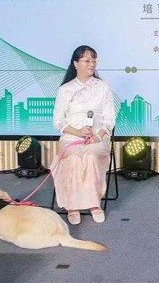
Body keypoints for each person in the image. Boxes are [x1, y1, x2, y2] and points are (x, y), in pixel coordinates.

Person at [52, 45, 116, 225]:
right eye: (87, 60)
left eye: (94, 60)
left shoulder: (102, 87)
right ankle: (72, 206)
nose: (91, 64)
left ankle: (94, 204)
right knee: (73, 158)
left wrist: (98, 136)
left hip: (97, 137)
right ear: (75, 63)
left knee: (90, 156)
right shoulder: (65, 90)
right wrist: (78, 132)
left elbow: (109, 119)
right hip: (71, 137)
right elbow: (58, 121)